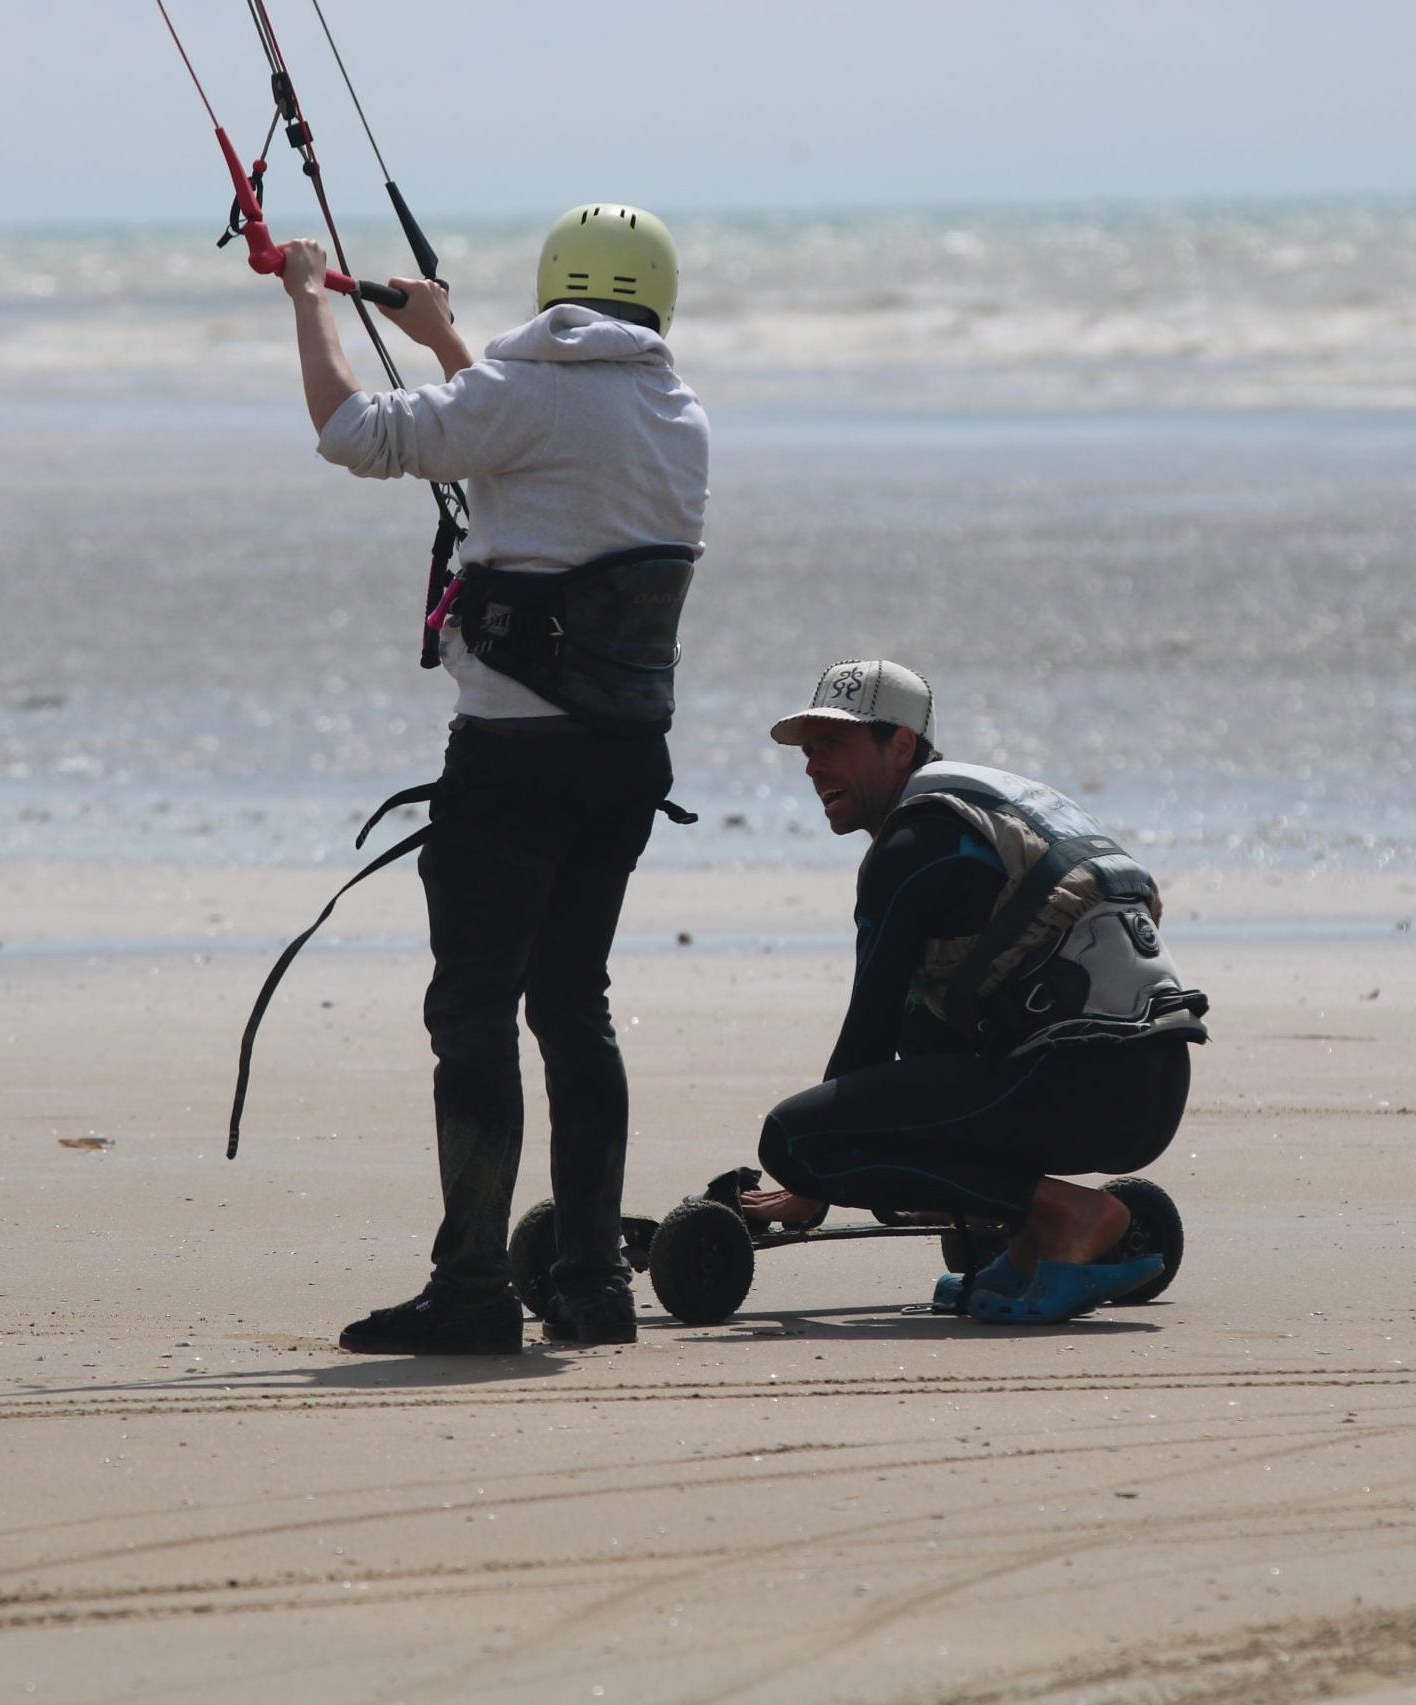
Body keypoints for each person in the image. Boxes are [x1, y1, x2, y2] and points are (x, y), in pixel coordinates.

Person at [276, 205, 709, 1354]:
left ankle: (471, 1288)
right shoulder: (677, 413)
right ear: (656, 302)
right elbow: (538, 455)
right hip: (625, 765)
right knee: (573, 1004)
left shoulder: (522, 394)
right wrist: (446, 344)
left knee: (472, 1014)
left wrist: (310, 298)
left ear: (552, 285)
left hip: (513, 764)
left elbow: (351, 433)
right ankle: (591, 1285)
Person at [741, 659, 1209, 1325]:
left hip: (1077, 1084)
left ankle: (1068, 1214)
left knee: (796, 1136)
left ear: (899, 745)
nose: (813, 766)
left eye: (835, 745)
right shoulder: (992, 815)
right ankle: (1028, 1244)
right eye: (809, 750)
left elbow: (866, 1030)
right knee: (921, 1036)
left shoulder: (911, 845)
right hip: (1149, 1087)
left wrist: (809, 1177)